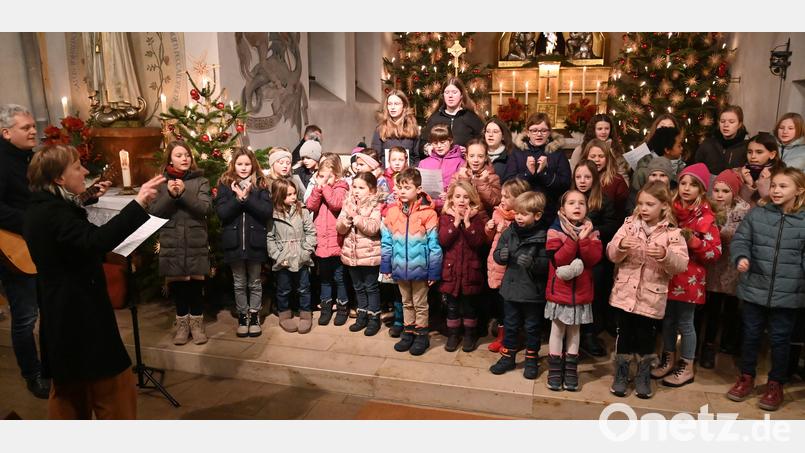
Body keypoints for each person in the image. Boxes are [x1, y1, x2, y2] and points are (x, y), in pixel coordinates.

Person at [23, 144, 164, 419]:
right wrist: (138, 203)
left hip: (61, 314)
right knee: (113, 387)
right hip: (80, 315)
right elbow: (95, 241)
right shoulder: (54, 215)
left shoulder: (42, 207)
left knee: (70, 388)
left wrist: (86, 196)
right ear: (59, 179)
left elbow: (66, 232)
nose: (85, 171)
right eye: (77, 167)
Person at [727, 168, 805, 411]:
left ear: (799, 191)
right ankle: (746, 377)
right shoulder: (758, 214)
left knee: (781, 339)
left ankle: (775, 383)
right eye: (774, 186)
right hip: (755, 288)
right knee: (750, 335)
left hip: (789, 292)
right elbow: (742, 240)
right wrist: (741, 256)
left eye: (783, 186)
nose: (776, 190)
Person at [608, 181, 689, 399]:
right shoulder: (629, 225)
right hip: (626, 294)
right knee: (624, 335)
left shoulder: (672, 233)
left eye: (650, 204)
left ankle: (643, 374)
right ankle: (622, 374)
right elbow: (611, 253)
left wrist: (664, 255)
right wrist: (622, 245)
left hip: (651, 297)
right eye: (641, 203)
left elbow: (681, 264)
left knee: (646, 338)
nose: (644, 208)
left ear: (663, 205)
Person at [653, 163, 721, 388]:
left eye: (693, 185)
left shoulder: (707, 218)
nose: (687, 188)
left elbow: (714, 252)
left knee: (686, 323)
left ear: (701, 190)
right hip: (667, 274)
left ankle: (687, 365)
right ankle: (668, 358)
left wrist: (693, 241)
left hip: (690, 278)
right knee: (668, 320)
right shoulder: (669, 210)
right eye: (683, 183)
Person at [0, 104, 49, 399]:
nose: (34, 130)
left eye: (33, 126)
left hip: (36, 244)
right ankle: (32, 374)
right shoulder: (2, 162)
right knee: (25, 316)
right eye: (26, 127)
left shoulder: (29, 159)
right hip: (13, 249)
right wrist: (30, 222)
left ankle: (51, 366)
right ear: (6, 133)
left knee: (46, 308)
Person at [149, 141, 212, 346]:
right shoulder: (161, 183)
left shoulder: (200, 181)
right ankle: (182, 324)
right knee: (179, 285)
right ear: (170, 159)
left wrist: (183, 194)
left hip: (195, 239)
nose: (184, 158)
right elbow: (155, 212)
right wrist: (170, 195)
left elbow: (204, 208)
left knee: (195, 285)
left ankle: (197, 324)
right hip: (172, 240)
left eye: (187, 155)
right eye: (178, 155)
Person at [544, 190, 603, 391]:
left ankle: (570, 368)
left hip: (581, 293)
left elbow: (592, 259)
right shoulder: (554, 230)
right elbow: (558, 259)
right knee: (557, 330)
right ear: (562, 209)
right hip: (559, 292)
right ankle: (554, 368)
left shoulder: (592, 232)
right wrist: (573, 239)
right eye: (571, 203)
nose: (577, 206)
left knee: (575, 332)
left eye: (581, 203)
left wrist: (585, 239)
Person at [381, 168, 442, 356]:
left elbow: (434, 246)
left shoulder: (428, 214)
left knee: (420, 304)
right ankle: (408, 333)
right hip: (400, 268)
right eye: (399, 187)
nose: (401, 191)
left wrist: (433, 271)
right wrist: (386, 265)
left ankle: (421, 335)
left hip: (420, 269)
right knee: (406, 302)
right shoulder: (392, 213)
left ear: (418, 189)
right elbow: (386, 242)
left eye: (407, 187)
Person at [213, 147, 273, 338]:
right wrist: (237, 200)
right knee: (239, 282)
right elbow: (222, 213)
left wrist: (247, 199)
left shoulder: (261, 184)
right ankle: (242, 315)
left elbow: (266, 211)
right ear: (233, 164)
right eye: (240, 164)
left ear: (253, 164)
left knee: (255, 282)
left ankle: (254, 315)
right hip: (234, 242)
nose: (244, 167)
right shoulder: (225, 184)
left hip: (255, 241)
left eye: (247, 164)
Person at [489, 192, 549, 379]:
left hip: (532, 292)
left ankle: (531, 358)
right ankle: (508, 356)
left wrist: (534, 263)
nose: (519, 217)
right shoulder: (509, 232)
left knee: (532, 326)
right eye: (517, 213)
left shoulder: (544, 236)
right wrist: (501, 256)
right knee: (510, 324)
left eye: (524, 214)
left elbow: (548, 264)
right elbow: (497, 253)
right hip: (511, 289)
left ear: (537, 215)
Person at [699, 169, 750, 368]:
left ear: (734, 193)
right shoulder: (707, 209)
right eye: (717, 190)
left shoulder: (744, 212)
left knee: (731, 308)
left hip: (732, 266)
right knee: (712, 308)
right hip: (712, 266)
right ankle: (708, 347)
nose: (719, 195)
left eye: (725, 191)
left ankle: (729, 343)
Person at [571, 161, 618, 358]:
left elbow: (613, 225)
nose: (583, 181)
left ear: (595, 179)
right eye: (579, 177)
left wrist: (594, 230)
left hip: (595, 256)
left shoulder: (603, 200)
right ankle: (572, 334)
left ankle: (590, 334)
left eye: (587, 177)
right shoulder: (569, 198)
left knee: (593, 296)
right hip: (572, 254)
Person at [438, 180, 489, 352]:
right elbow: (443, 240)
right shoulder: (445, 217)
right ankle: (453, 334)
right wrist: (455, 223)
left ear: (472, 199)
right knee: (452, 306)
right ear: (451, 198)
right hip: (451, 271)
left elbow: (478, 242)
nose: (461, 200)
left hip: (470, 271)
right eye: (458, 196)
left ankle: (469, 334)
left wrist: (467, 223)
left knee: (469, 306)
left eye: (466, 197)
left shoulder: (477, 218)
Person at [485, 178, 531, 353]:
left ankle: (514, 337)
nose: (502, 199)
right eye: (502, 195)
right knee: (499, 304)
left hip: (511, 270)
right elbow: (490, 240)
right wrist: (489, 229)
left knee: (511, 306)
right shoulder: (497, 214)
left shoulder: (520, 220)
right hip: (495, 265)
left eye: (507, 196)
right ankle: (501, 336)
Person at [502, 113, 571, 226]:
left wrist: (544, 172)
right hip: (522, 212)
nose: (539, 134)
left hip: (549, 212)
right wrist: (527, 173)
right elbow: (507, 182)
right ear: (528, 132)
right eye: (534, 130)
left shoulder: (557, 153)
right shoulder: (517, 152)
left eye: (543, 130)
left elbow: (566, 184)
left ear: (549, 132)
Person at [267, 178, 317, 334]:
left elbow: (311, 232)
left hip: (301, 258)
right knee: (283, 289)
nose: (293, 197)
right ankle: (284, 315)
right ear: (278, 196)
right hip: (283, 260)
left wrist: (305, 251)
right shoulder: (273, 214)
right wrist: (277, 255)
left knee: (304, 288)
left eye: (294, 193)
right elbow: (270, 237)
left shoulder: (302, 210)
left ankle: (305, 314)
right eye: (289, 194)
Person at [337, 172, 383, 336]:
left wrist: (356, 216)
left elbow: (373, 228)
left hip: (370, 255)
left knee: (371, 287)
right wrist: (346, 220)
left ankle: (374, 318)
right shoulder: (348, 203)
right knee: (358, 288)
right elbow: (340, 229)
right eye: (354, 187)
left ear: (371, 190)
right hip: (351, 255)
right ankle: (362, 315)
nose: (356, 190)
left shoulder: (375, 205)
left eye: (361, 188)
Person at [306, 154, 349, 328]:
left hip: (337, 243)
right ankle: (325, 308)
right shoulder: (320, 189)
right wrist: (318, 189)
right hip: (322, 243)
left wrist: (324, 188)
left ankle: (342, 308)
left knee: (339, 278)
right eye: (321, 176)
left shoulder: (341, 187)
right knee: (324, 278)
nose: (324, 180)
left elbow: (336, 204)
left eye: (328, 176)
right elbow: (311, 205)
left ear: (337, 175)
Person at [420, 77, 484, 156]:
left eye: (454, 92)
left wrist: (469, 151)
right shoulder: (434, 118)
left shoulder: (472, 118)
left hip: (464, 165)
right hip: (438, 165)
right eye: (447, 92)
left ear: (461, 95)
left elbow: (482, 143)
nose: (450, 96)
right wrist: (429, 148)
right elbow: (422, 143)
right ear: (443, 96)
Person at [569, 113, 628, 184]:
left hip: (609, 186)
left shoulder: (616, 149)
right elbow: (573, 174)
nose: (603, 132)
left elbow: (622, 174)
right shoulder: (580, 150)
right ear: (593, 130)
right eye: (599, 129)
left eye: (607, 129)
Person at [418, 124, 466, 211]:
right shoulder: (424, 163)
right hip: (427, 207)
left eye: (442, 142)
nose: (439, 146)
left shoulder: (460, 162)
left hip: (451, 207)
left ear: (450, 141)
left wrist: (450, 194)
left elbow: (464, 186)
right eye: (435, 143)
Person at [578, 138, 629, 217]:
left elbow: (622, 211)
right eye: (593, 156)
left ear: (608, 159)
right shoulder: (579, 179)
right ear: (586, 158)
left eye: (601, 156)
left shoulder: (617, 180)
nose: (597, 160)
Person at [694, 105, 749, 176]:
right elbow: (697, 170)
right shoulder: (707, 144)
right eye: (722, 121)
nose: (726, 125)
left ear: (739, 124)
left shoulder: (746, 147)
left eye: (731, 122)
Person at [451, 137, 502, 213]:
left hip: (482, 218)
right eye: (472, 156)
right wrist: (464, 181)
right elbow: (450, 199)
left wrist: (482, 183)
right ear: (466, 157)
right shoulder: (458, 176)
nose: (475, 160)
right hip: (460, 215)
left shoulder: (492, 177)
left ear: (485, 158)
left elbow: (494, 202)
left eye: (480, 156)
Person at [372, 90, 422, 167]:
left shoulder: (413, 128)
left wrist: (412, 173)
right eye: (390, 104)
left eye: (396, 104)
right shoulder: (380, 129)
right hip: (386, 174)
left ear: (404, 106)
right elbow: (375, 156)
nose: (392, 107)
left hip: (408, 175)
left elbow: (416, 157)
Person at [736, 132, 784, 206]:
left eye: (759, 152)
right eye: (749, 152)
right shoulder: (740, 172)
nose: (753, 156)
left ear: (772, 154)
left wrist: (763, 185)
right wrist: (750, 185)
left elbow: (777, 206)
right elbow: (739, 205)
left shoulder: (781, 175)